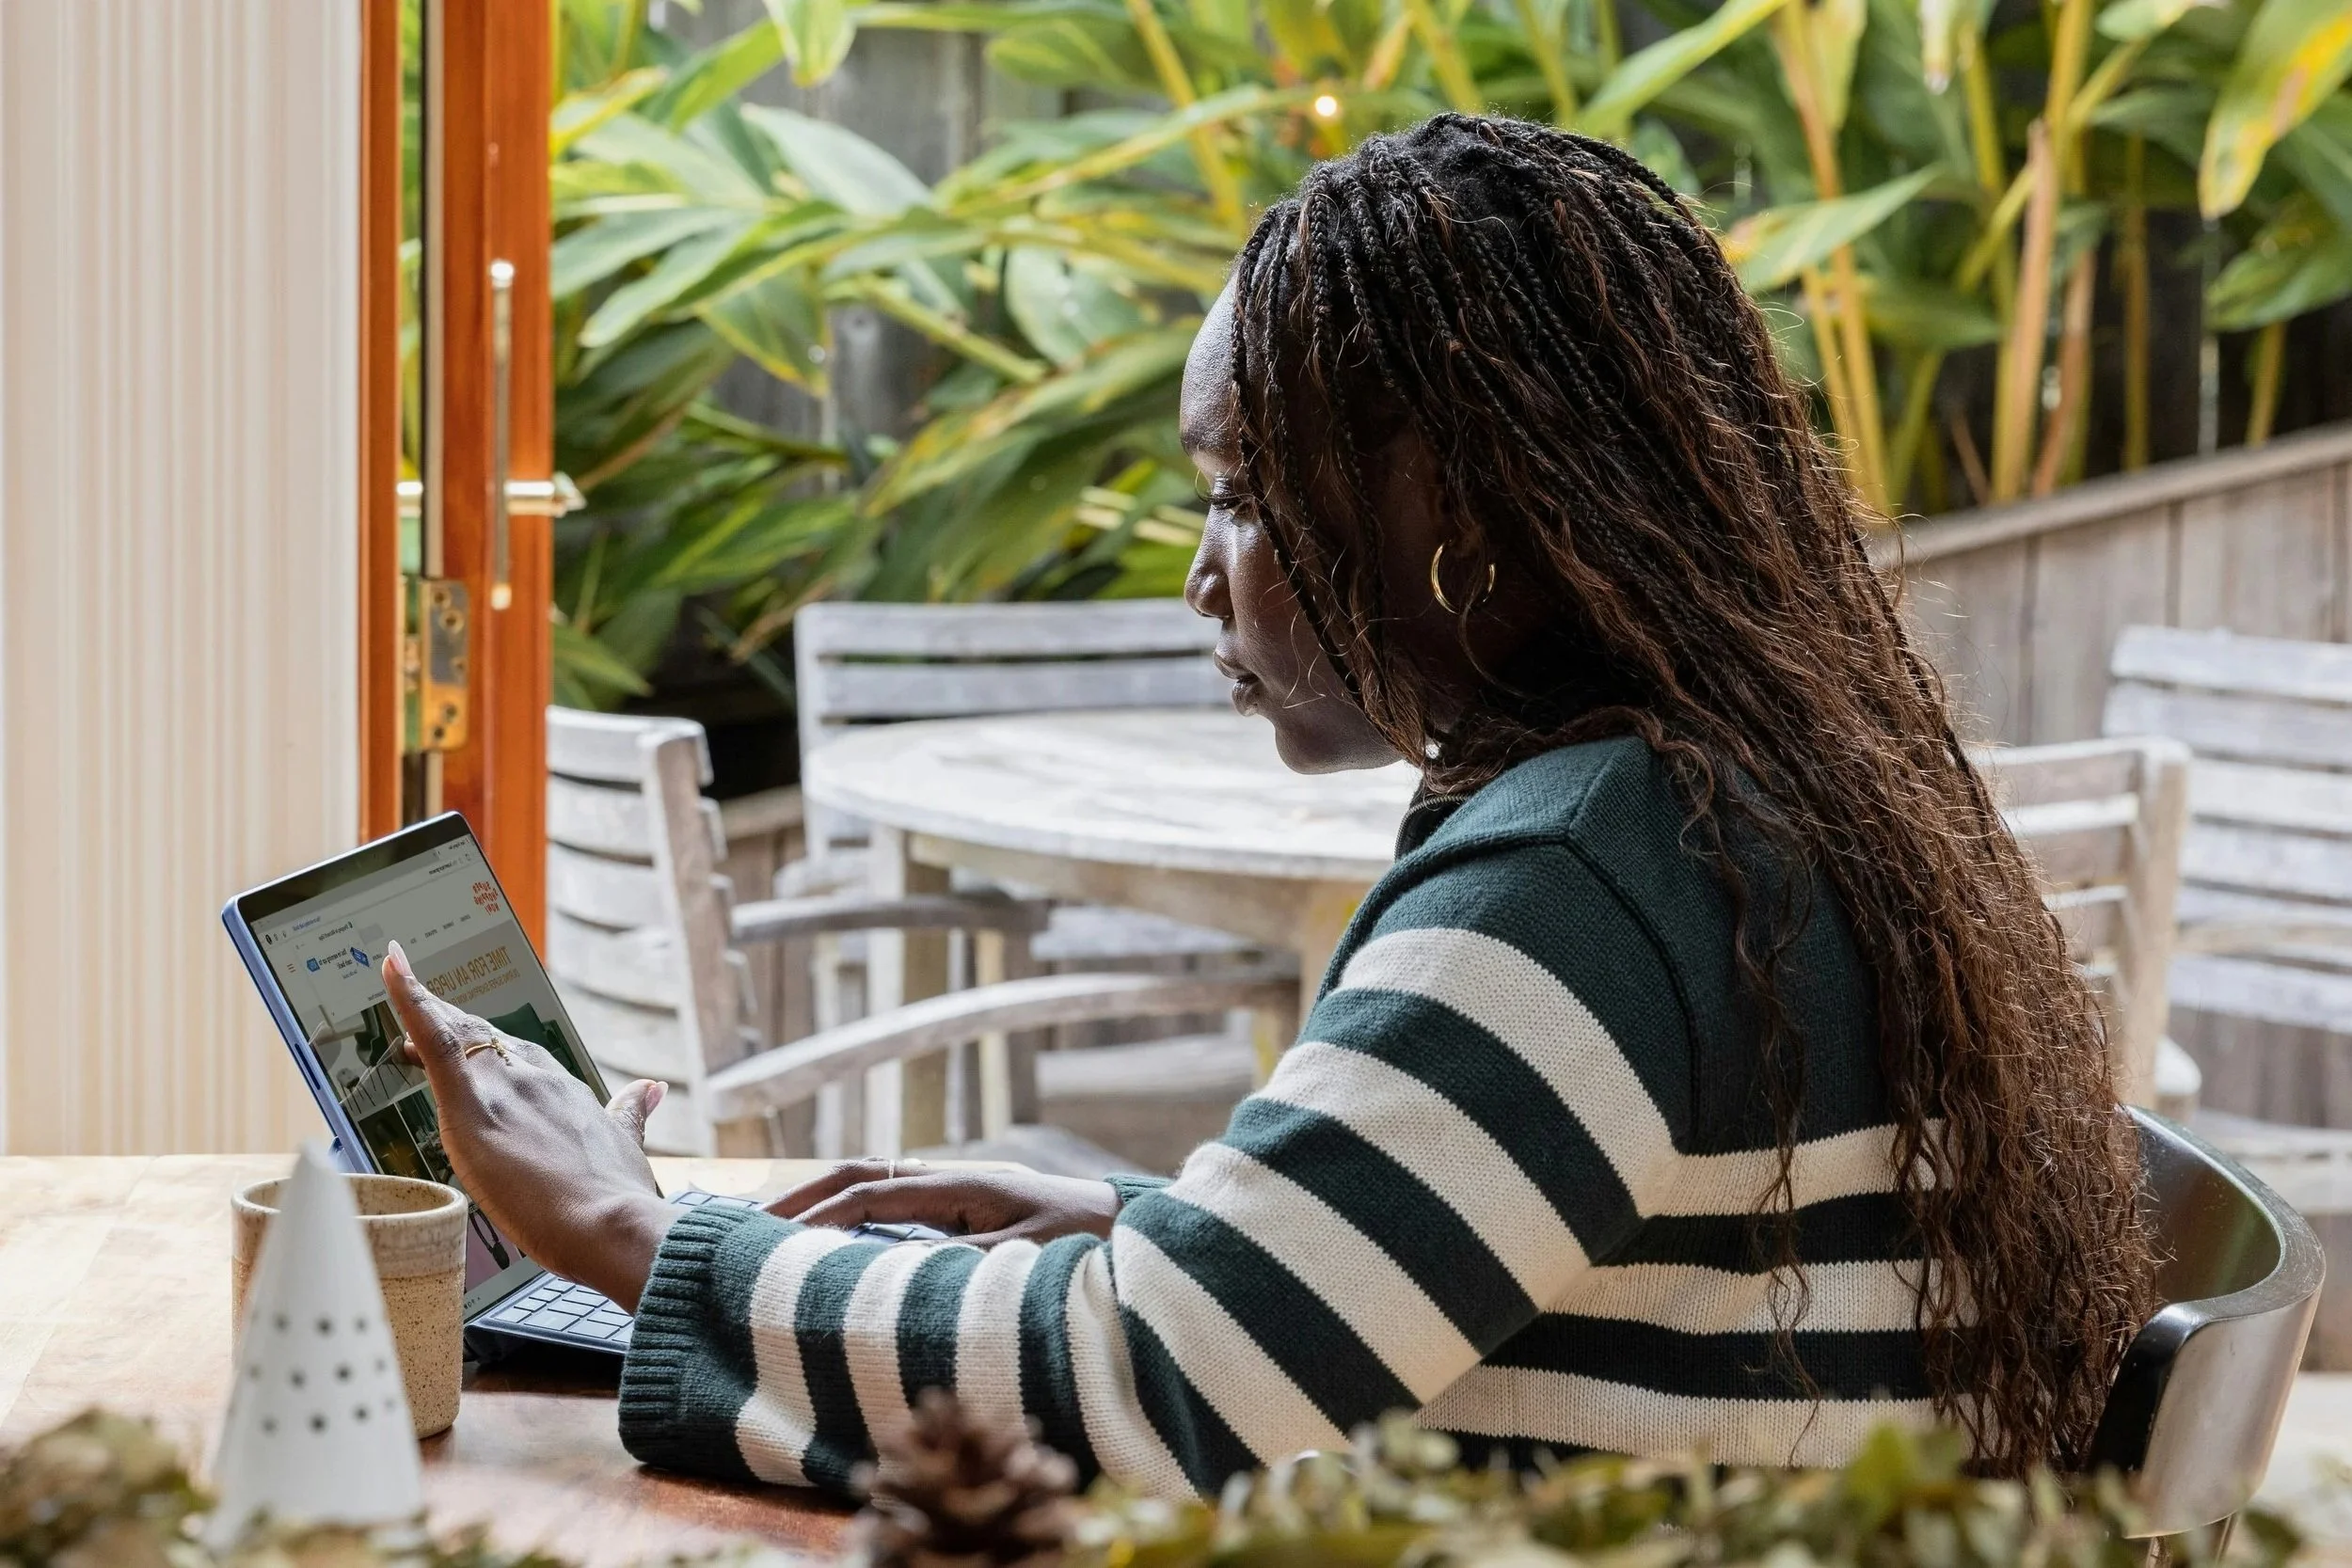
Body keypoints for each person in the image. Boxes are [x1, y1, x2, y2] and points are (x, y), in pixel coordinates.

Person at [379, 115, 2151, 1495]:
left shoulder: (1591, 877)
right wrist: (1171, 1232)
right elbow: (1313, 1313)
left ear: (1459, 511)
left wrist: (632, 1232)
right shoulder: (1728, 795)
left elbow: (1154, 1393)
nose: (1202, 580)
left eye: (1241, 494)